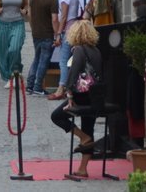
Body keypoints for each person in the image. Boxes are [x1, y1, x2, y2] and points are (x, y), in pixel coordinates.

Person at [50, 19, 103, 179]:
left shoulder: (79, 50)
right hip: (95, 96)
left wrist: (69, 95)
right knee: (89, 127)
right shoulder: (96, 50)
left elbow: (73, 74)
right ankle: (82, 168)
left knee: (57, 116)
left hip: (82, 95)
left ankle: (82, 137)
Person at [49, 0, 82, 100]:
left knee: (63, 61)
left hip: (68, 30)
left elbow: (63, 18)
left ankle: (61, 88)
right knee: (71, 61)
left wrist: (58, 34)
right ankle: (69, 88)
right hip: (75, 28)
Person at [26, 0, 58, 96]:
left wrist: (33, 27)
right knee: (44, 60)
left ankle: (30, 85)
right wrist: (57, 34)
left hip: (36, 33)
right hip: (47, 34)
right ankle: (38, 86)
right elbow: (54, 19)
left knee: (36, 58)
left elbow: (29, 14)